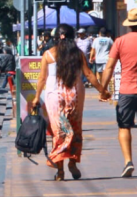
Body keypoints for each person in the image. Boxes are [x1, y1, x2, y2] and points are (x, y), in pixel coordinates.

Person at [31, 24, 110, 181]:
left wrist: (36, 97)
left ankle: (59, 170)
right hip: (75, 94)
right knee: (75, 127)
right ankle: (72, 161)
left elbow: (42, 79)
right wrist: (102, 90)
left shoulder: (48, 54)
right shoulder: (78, 54)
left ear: (57, 37)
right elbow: (88, 74)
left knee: (59, 130)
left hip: (54, 95)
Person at [100, 8, 137, 179]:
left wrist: (103, 90)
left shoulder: (120, 41)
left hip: (126, 91)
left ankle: (128, 162)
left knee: (124, 127)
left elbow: (109, 67)